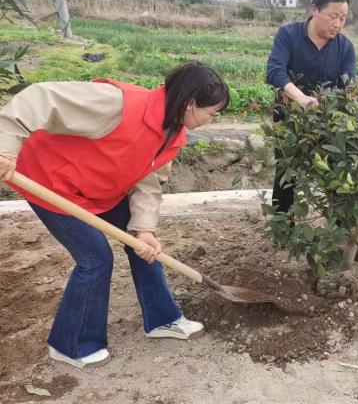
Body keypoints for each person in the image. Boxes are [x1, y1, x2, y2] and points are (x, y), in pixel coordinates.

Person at [0, 61, 229, 368]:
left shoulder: (171, 134)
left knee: (145, 248)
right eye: (212, 113)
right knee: (95, 259)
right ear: (190, 103)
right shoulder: (117, 104)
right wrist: (4, 150)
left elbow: (147, 183)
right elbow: (39, 97)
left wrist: (144, 229)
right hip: (52, 185)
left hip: (101, 188)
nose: (212, 120)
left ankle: (162, 320)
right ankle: (71, 345)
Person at [266, 0, 356, 213]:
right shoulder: (289, 36)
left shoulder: (345, 48)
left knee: (336, 172)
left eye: (343, 18)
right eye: (333, 16)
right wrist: (300, 98)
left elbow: (348, 88)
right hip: (289, 118)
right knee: (286, 172)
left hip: (328, 122)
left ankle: (338, 226)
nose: (338, 24)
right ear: (315, 10)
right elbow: (275, 71)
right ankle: (283, 227)